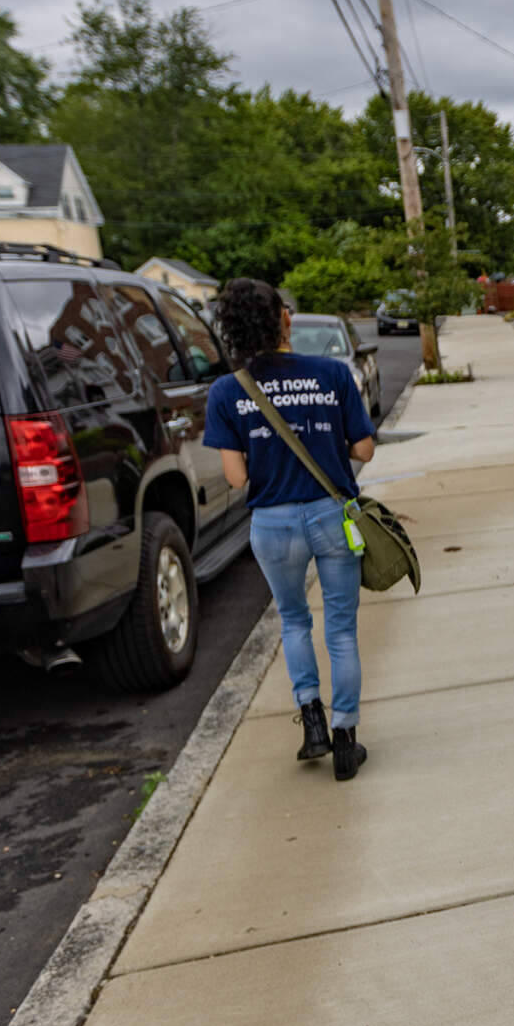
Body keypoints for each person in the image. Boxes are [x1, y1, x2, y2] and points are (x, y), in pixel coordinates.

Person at [204, 276, 379, 782]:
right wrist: (324, 446)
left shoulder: (226, 390)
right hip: (331, 513)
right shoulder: (331, 373)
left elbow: (236, 477)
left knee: (294, 619)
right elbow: (364, 449)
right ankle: (347, 739)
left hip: (273, 524)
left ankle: (312, 723)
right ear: (285, 318)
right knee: (341, 628)